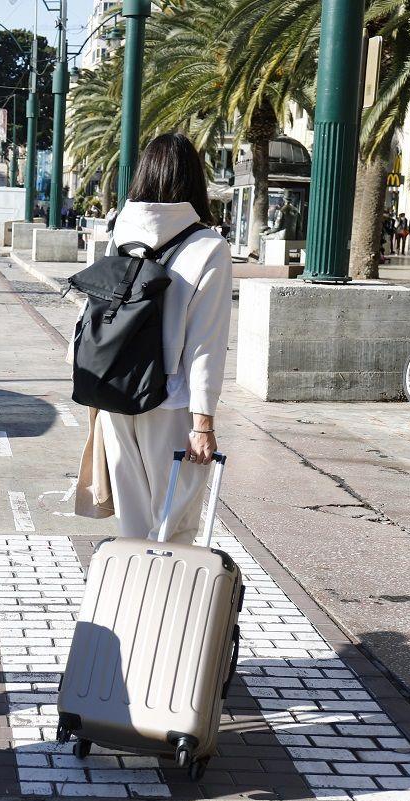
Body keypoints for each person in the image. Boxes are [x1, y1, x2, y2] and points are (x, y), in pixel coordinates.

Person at [76, 133, 232, 542]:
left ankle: (131, 600)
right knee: (173, 523)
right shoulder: (209, 247)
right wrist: (203, 424)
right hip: (171, 400)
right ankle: (169, 603)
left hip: (115, 394)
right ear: (194, 181)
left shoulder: (120, 232)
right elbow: (205, 344)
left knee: (133, 519)